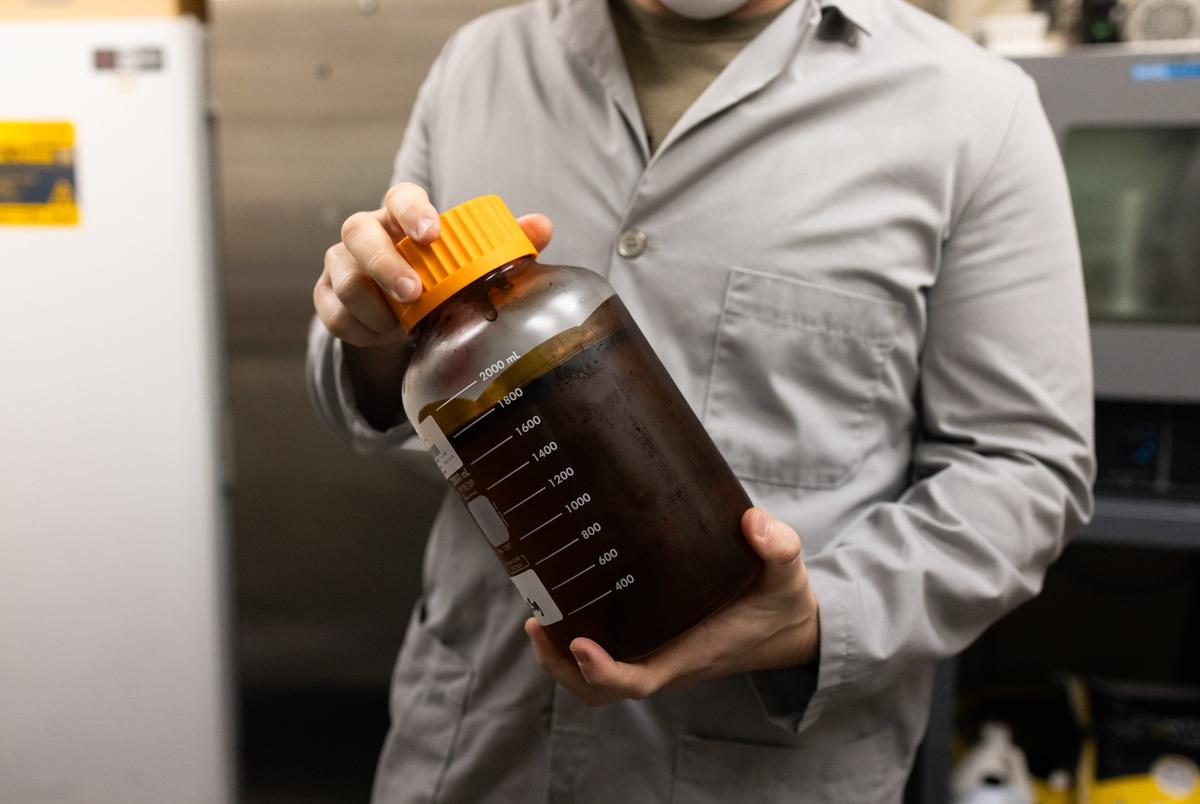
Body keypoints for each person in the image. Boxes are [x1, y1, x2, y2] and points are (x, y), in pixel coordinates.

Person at [306, 0, 1095, 800]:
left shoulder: (974, 108)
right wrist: (375, 332)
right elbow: (372, 385)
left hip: (759, 772)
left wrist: (822, 617)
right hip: (476, 754)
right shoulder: (480, 61)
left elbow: (1026, 468)